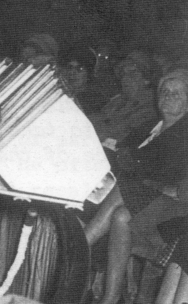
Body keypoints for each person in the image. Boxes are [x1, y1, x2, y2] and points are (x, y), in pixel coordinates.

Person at [83, 68, 188, 304]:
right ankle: (110, 297)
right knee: (121, 215)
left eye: (177, 93)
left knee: (124, 189)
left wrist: (130, 165)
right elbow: (124, 152)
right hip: (137, 196)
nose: (168, 96)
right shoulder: (149, 127)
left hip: (172, 207)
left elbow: (170, 177)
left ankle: (80, 245)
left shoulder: (184, 134)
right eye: (165, 91)